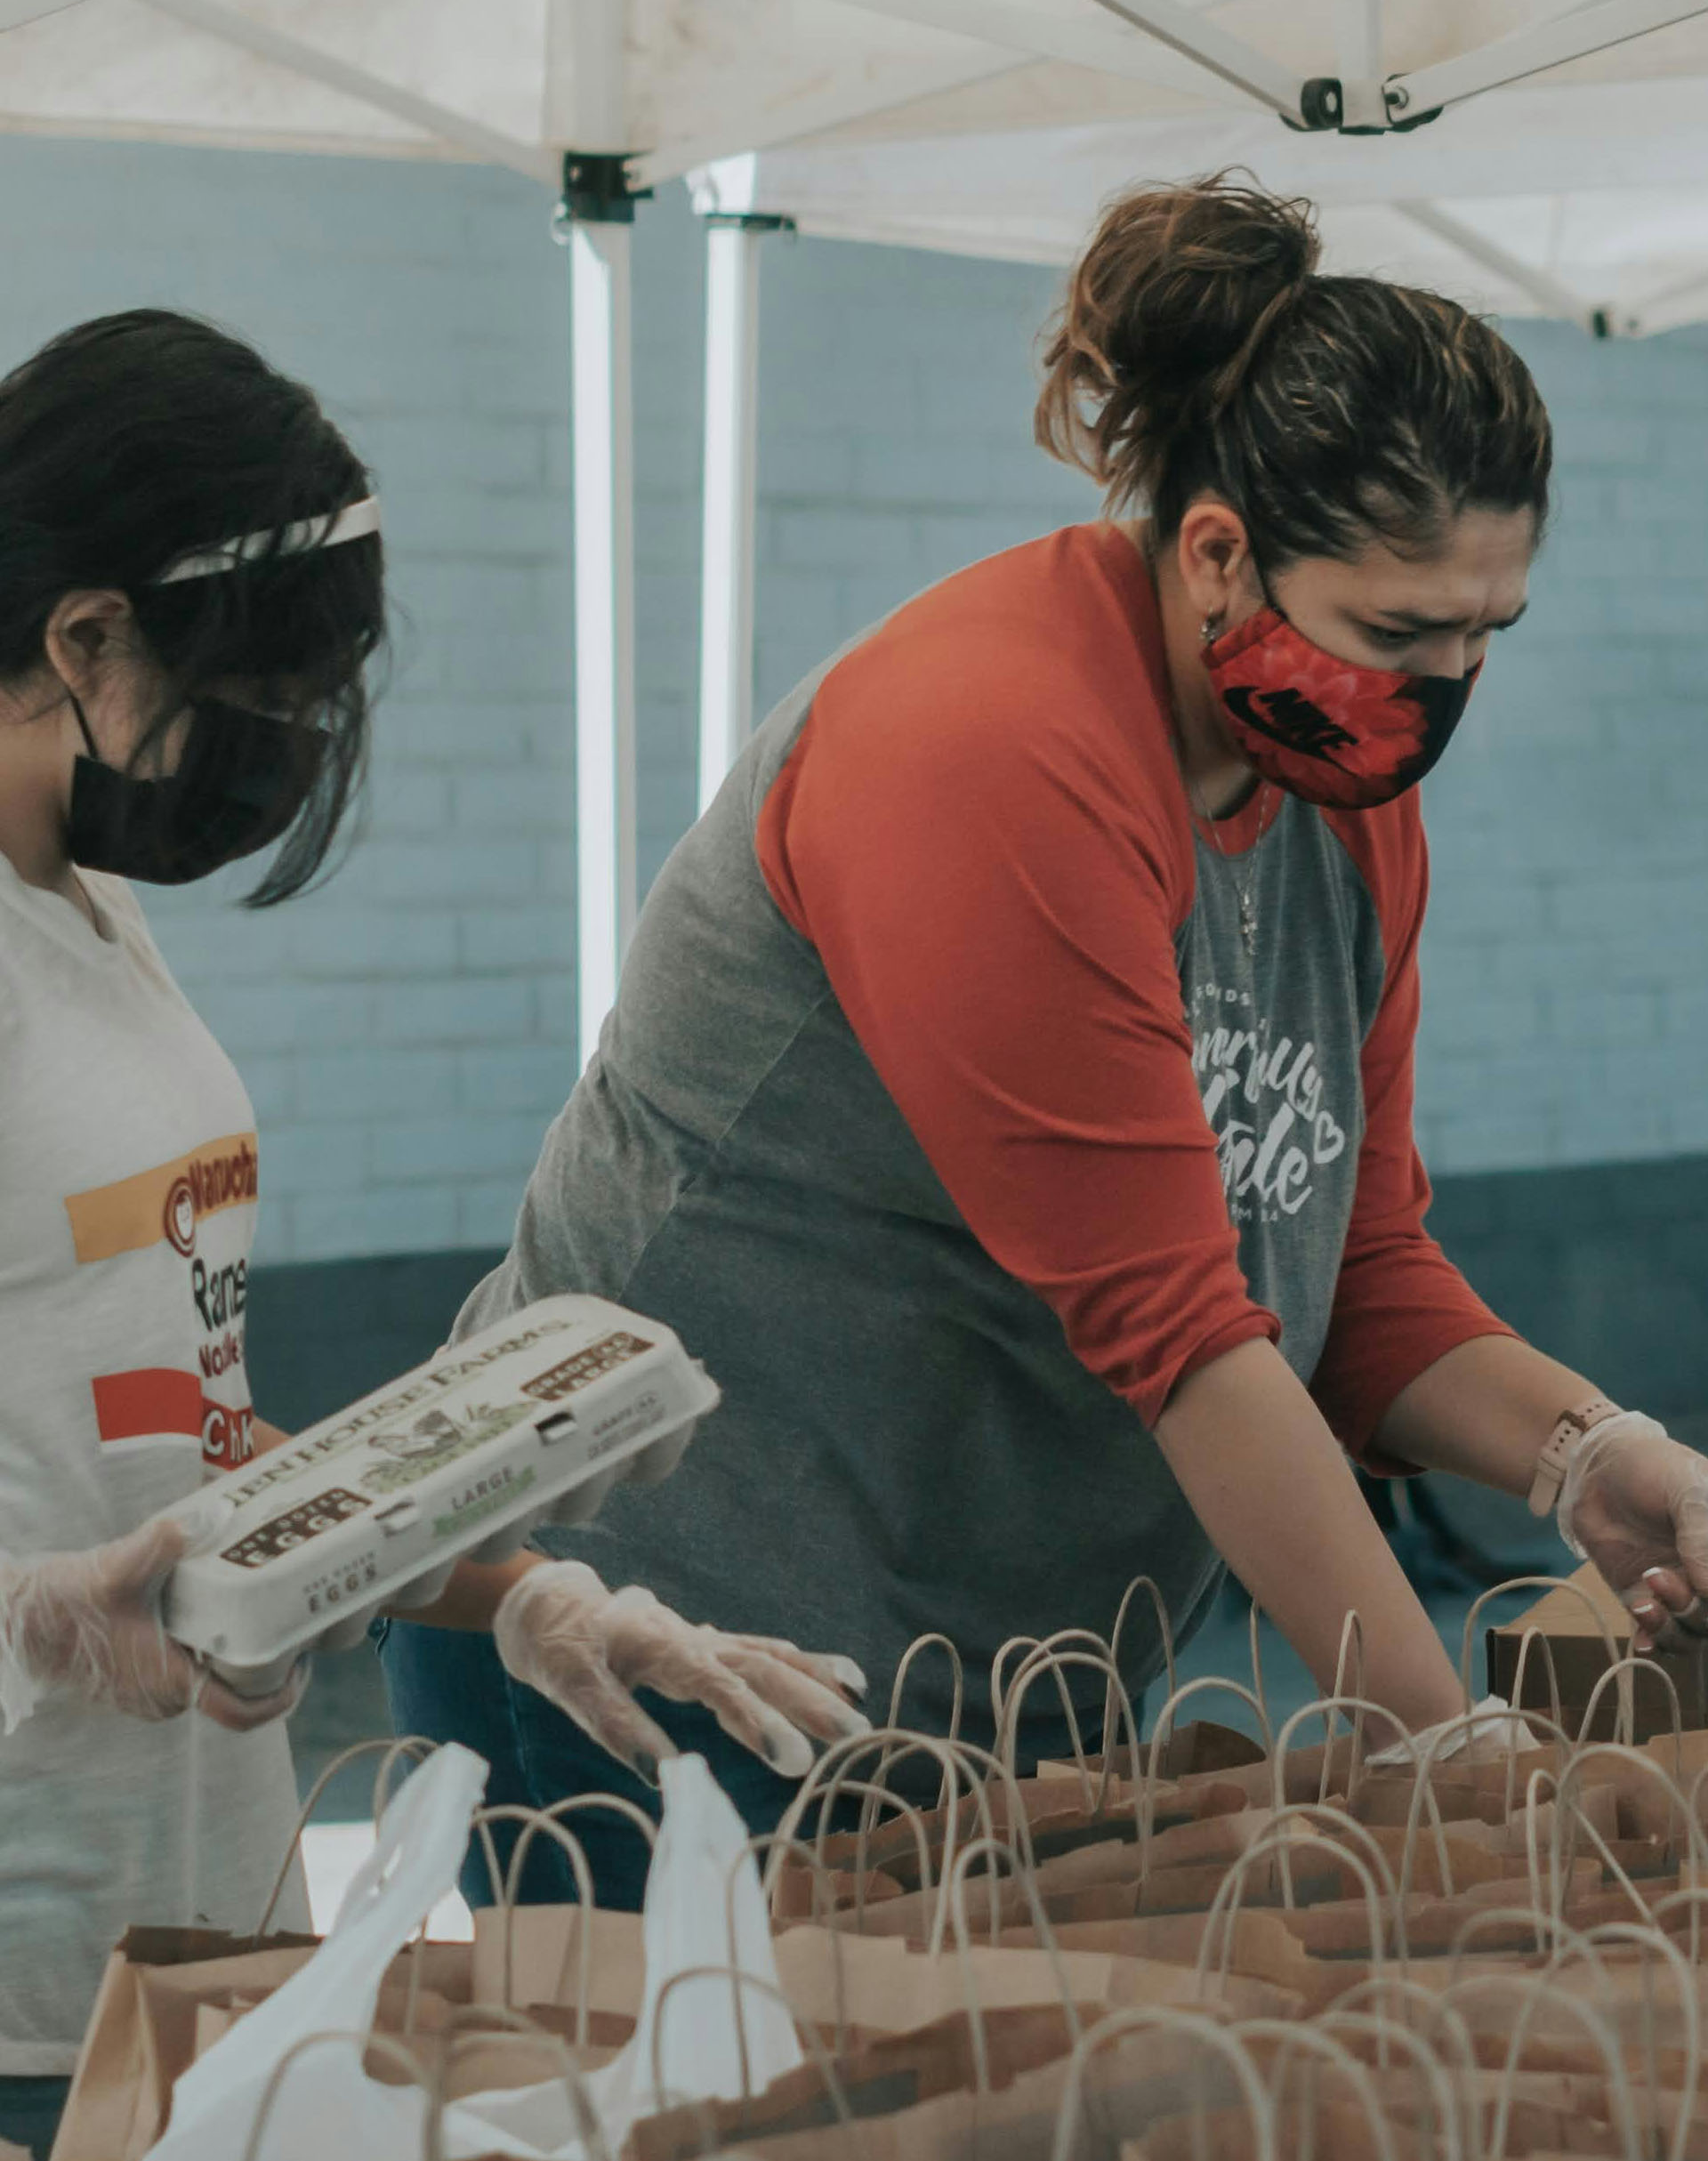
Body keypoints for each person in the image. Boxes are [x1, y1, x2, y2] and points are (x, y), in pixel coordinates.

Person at [383, 173, 1708, 1904]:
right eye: (1400, 631)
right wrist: (1445, 1746)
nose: (1443, 689)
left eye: (1484, 634)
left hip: (961, 1686)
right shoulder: (992, 751)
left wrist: (1591, 1449)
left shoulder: (1344, 802)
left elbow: (1349, 1265)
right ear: (1220, 549)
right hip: (647, 1637)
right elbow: (1179, 1331)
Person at [0, 310, 863, 2158]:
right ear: (83, 636)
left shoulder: (80, 916)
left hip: (187, 1908)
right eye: (257, 709)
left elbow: (167, 1436)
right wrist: (22, 1610)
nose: (279, 763)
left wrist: (503, 1580)